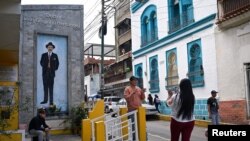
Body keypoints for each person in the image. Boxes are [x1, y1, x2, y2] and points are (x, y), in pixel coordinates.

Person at [124, 76, 145, 140]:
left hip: (139, 109)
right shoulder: (127, 89)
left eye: (136, 80)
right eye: (134, 80)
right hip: (132, 109)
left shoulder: (138, 88)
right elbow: (127, 98)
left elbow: (142, 98)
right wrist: (132, 93)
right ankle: (134, 139)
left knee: (142, 125)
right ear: (130, 81)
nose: (136, 81)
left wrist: (143, 92)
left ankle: (142, 138)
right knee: (134, 125)